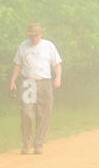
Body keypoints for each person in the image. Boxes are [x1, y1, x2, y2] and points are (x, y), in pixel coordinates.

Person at [9, 23, 62, 154]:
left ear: (41, 34)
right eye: (32, 36)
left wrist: (58, 78)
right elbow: (18, 64)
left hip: (44, 82)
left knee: (43, 113)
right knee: (27, 113)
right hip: (28, 83)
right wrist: (12, 80)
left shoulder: (48, 46)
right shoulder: (23, 46)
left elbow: (57, 64)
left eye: (36, 35)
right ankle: (26, 144)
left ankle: (38, 144)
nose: (34, 38)